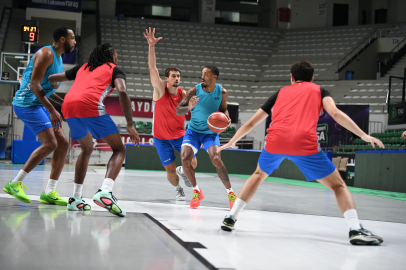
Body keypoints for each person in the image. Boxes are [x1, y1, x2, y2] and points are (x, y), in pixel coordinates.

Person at [218, 60, 384, 245]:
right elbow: (335, 113)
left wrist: (231, 142)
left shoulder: (280, 92)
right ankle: (355, 229)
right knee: (338, 186)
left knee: (258, 175)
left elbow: (250, 123)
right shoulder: (320, 91)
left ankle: (231, 217)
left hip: (275, 141)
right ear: (312, 79)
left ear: (291, 77)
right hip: (303, 143)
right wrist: (363, 134)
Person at [48, 43, 139, 217]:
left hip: (68, 106)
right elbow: (123, 92)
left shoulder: (83, 67)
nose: (117, 57)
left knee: (87, 148)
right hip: (90, 105)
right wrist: (130, 124)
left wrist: (40, 82)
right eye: (116, 53)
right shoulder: (115, 69)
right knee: (119, 149)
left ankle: (75, 198)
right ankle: (105, 191)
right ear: (112, 55)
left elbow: (52, 78)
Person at [3, 26, 76, 205]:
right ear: (62, 40)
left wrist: (62, 103)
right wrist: (52, 110)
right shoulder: (46, 54)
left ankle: (49, 192)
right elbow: (35, 85)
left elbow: (46, 88)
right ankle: (14, 183)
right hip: (26, 104)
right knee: (50, 143)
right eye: (73, 38)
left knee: (63, 144)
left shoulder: (58, 58)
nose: (75, 41)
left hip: (38, 103)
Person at [143, 28, 197, 201]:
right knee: (170, 172)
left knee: (193, 162)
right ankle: (178, 188)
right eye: (173, 76)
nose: (176, 78)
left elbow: (182, 110)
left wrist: (191, 107)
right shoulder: (160, 90)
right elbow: (152, 68)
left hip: (179, 135)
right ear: (166, 78)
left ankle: (184, 170)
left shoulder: (184, 94)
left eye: (178, 76)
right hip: (160, 137)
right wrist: (151, 46)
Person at [176, 66, 236, 209]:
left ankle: (231, 194)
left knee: (216, 159)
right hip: (193, 132)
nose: (202, 76)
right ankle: (197, 191)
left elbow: (223, 109)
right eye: (202, 74)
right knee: (185, 157)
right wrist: (188, 107)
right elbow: (179, 110)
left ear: (214, 77)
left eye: (206, 74)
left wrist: (226, 116)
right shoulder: (194, 91)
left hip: (210, 132)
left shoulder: (222, 92)